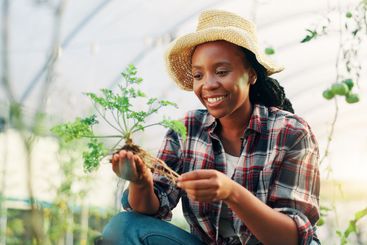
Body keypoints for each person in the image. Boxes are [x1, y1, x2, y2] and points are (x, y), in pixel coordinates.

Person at [102, 10, 320, 245]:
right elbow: (150, 210)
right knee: (123, 227)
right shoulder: (187, 130)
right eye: (198, 75)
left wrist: (231, 193)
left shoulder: (291, 132)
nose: (208, 85)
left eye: (222, 72)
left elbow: (292, 239)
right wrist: (140, 181)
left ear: (251, 74)